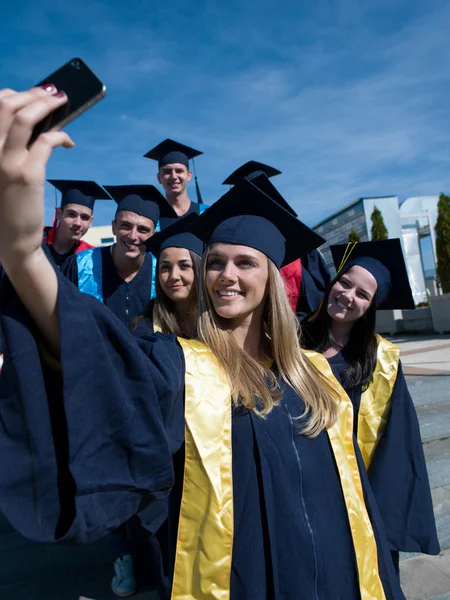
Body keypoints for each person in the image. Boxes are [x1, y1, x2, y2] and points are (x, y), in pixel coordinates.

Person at [0, 85, 405, 600]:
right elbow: (97, 357)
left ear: (273, 278)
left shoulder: (317, 372)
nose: (225, 275)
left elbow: (358, 502)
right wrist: (21, 251)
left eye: (245, 262)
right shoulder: (183, 364)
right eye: (215, 262)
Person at [302, 239, 440, 573]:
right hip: (302, 477)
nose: (348, 296)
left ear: (370, 307)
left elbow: (397, 440)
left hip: (354, 484)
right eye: (344, 283)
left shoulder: (382, 360)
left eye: (362, 295)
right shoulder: (294, 336)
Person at [223, 161, 330, 318]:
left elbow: (317, 290)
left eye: (261, 195)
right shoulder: (230, 239)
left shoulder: (298, 238)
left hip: (297, 325)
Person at [62, 184, 167, 326]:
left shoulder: (162, 273)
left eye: (143, 230)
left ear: (153, 236)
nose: (133, 236)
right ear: (114, 227)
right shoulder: (80, 265)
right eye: (125, 226)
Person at [131, 213, 204, 338]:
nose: (174, 276)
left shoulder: (221, 322)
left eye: (184, 266)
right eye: (165, 267)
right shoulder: (144, 329)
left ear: (200, 269)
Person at [144, 138, 208, 230]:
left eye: (179, 171)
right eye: (167, 171)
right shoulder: (153, 220)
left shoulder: (206, 213)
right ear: (159, 178)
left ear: (189, 176)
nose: (173, 176)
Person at [44, 179, 110, 267]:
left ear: (91, 222)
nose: (78, 223)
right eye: (71, 214)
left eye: (84, 217)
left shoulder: (92, 259)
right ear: (58, 214)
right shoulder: (33, 240)